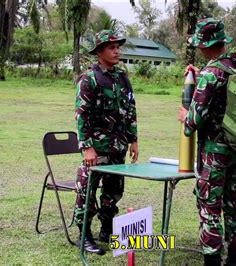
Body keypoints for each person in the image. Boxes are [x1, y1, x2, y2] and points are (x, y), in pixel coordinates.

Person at [178, 18, 236, 266]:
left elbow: (193, 123)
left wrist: (186, 117)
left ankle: (211, 261)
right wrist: (203, 77)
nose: (198, 48)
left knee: (210, 207)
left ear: (206, 45)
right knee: (234, 204)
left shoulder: (211, 73)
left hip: (214, 154)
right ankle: (235, 259)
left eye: (199, 44)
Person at [74, 29, 139, 255]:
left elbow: (130, 110)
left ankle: (107, 230)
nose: (116, 51)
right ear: (99, 51)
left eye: (118, 47)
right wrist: (87, 147)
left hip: (118, 147)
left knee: (113, 191)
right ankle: (85, 236)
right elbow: (82, 115)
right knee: (87, 192)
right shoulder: (89, 78)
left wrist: (133, 140)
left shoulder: (122, 78)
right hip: (97, 149)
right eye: (111, 47)